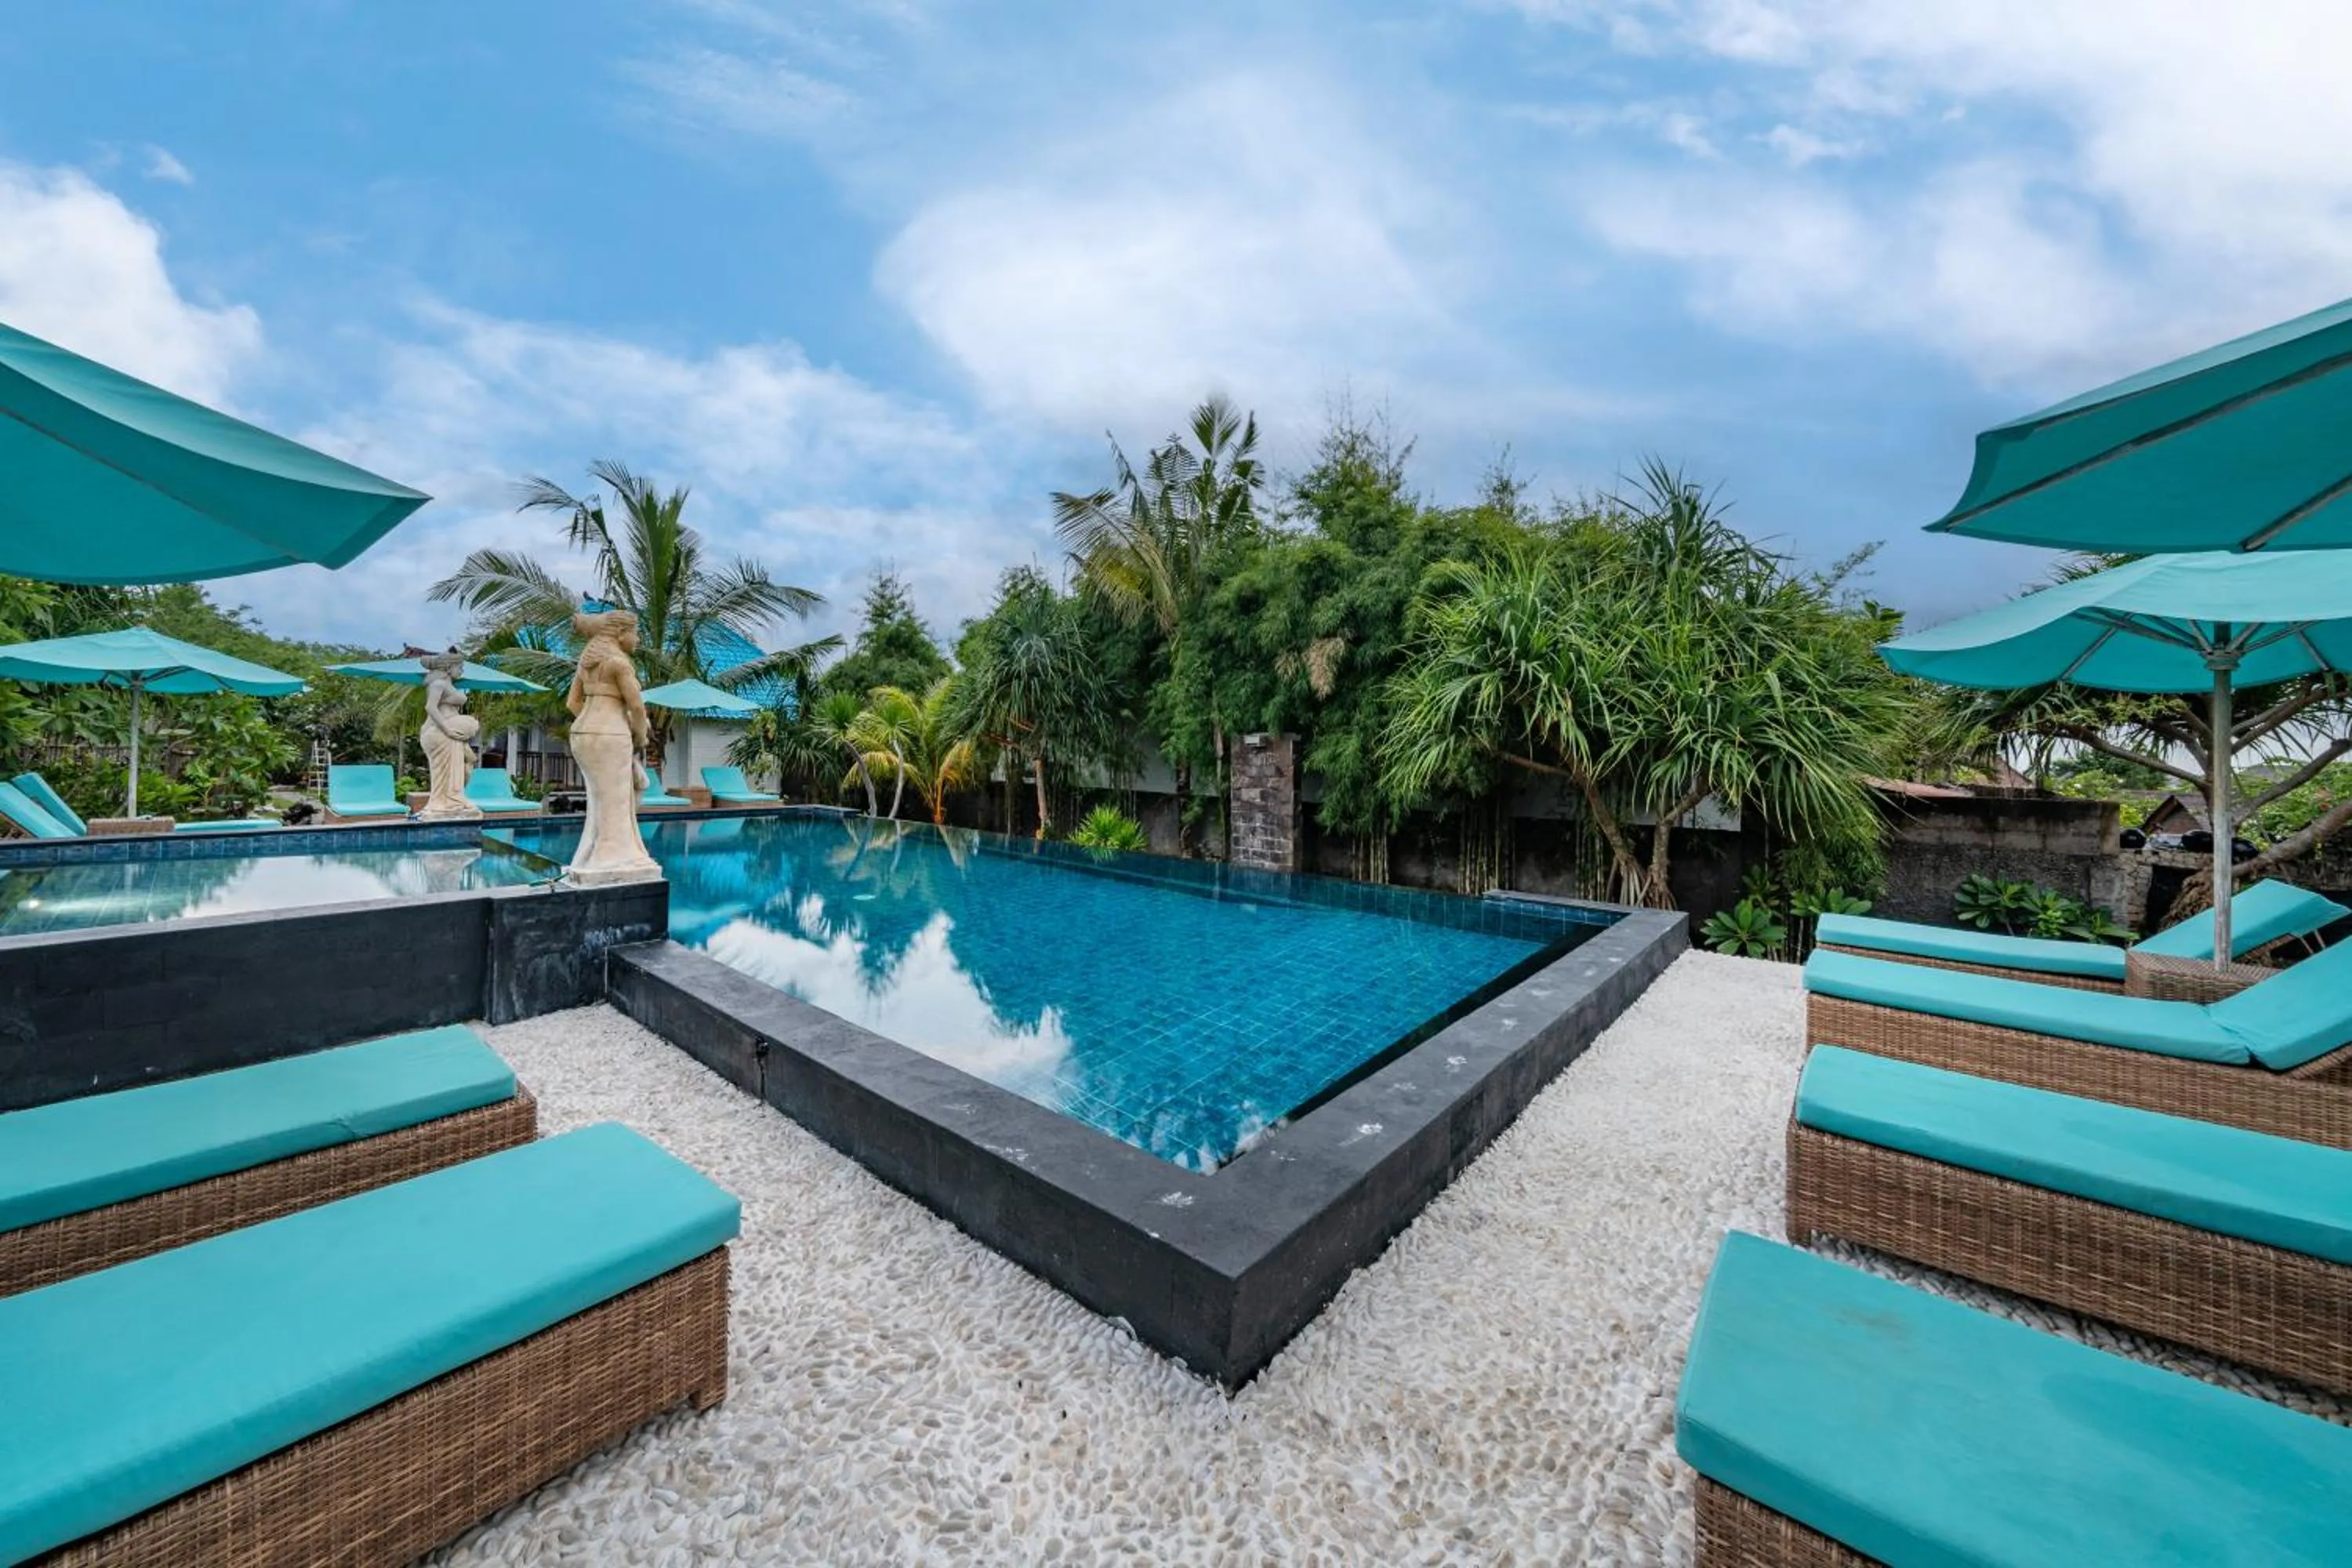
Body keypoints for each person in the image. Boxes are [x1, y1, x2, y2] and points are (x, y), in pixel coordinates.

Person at [564, 604, 662, 881]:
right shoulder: (618, 663)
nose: (639, 639)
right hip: (610, 735)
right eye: (636, 633)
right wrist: (640, 736)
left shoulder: (588, 662)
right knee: (614, 800)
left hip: (583, 732)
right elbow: (637, 707)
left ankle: (592, 856)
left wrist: (592, 725)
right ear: (621, 633)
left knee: (612, 795)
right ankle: (614, 857)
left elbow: (572, 703)